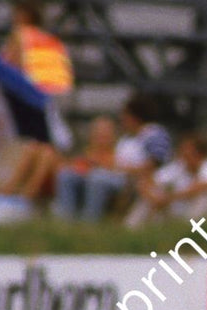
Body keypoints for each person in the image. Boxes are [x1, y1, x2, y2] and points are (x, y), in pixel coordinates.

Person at [53, 93, 170, 221]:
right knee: (68, 174)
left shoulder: (153, 133)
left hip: (132, 179)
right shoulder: (127, 138)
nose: (122, 120)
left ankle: (89, 221)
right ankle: (65, 219)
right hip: (113, 173)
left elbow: (154, 164)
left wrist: (121, 168)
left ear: (134, 117)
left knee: (97, 178)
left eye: (125, 116)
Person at [124, 130, 207, 228]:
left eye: (187, 151)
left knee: (204, 195)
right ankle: (131, 227)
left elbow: (202, 187)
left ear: (199, 154)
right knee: (153, 193)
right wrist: (152, 196)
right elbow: (151, 180)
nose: (182, 153)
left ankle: (191, 228)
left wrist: (168, 198)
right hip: (180, 213)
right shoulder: (179, 166)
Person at [0, 0, 74, 100]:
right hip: (62, 94)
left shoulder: (20, 35)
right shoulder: (54, 41)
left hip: (37, 93)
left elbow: (7, 66)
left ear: (23, 16)